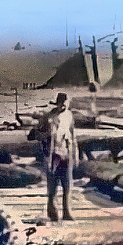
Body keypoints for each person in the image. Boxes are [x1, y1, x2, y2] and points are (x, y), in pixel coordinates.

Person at [35, 90, 79, 221]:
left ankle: (67, 211)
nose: (64, 106)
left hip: (66, 152)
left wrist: (76, 153)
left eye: (66, 103)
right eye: (62, 103)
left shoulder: (69, 115)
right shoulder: (49, 117)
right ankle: (52, 211)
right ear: (58, 103)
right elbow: (38, 134)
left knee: (67, 184)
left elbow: (73, 135)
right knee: (53, 184)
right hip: (53, 154)